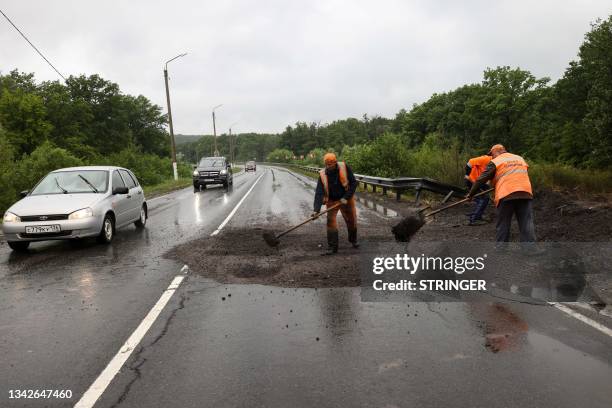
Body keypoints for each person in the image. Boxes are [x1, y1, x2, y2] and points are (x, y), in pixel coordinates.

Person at [468, 144, 536, 243]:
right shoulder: (519, 158)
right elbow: (518, 174)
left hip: (506, 194)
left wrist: (471, 194)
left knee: (503, 223)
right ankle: (530, 249)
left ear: (497, 151)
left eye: (491, 154)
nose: (491, 157)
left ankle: (501, 250)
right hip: (525, 192)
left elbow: (481, 179)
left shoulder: (495, 161)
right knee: (526, 223)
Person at [312, 153, 359, 255]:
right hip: (332, 200)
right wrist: (316, 210)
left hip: (346, 198)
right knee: (330, 222)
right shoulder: (323, 174)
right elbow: (319, 193)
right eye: (326, 164)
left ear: (335, 162)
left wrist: (345, 198)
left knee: (351, 220)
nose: (328, 167)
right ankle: (333, 247)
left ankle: (353, 240)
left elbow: (354, 183)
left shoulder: (344, 167)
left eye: (330, 164)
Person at [464, 154, 492, 226]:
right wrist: (467, 175)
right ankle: (474, 219)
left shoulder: (494, 162)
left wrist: (486, 186)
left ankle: (478, 216)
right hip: (472, 181)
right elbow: (470, 162)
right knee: (483, 198)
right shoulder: (486, 159)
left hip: (479, 181)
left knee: (484, 198)